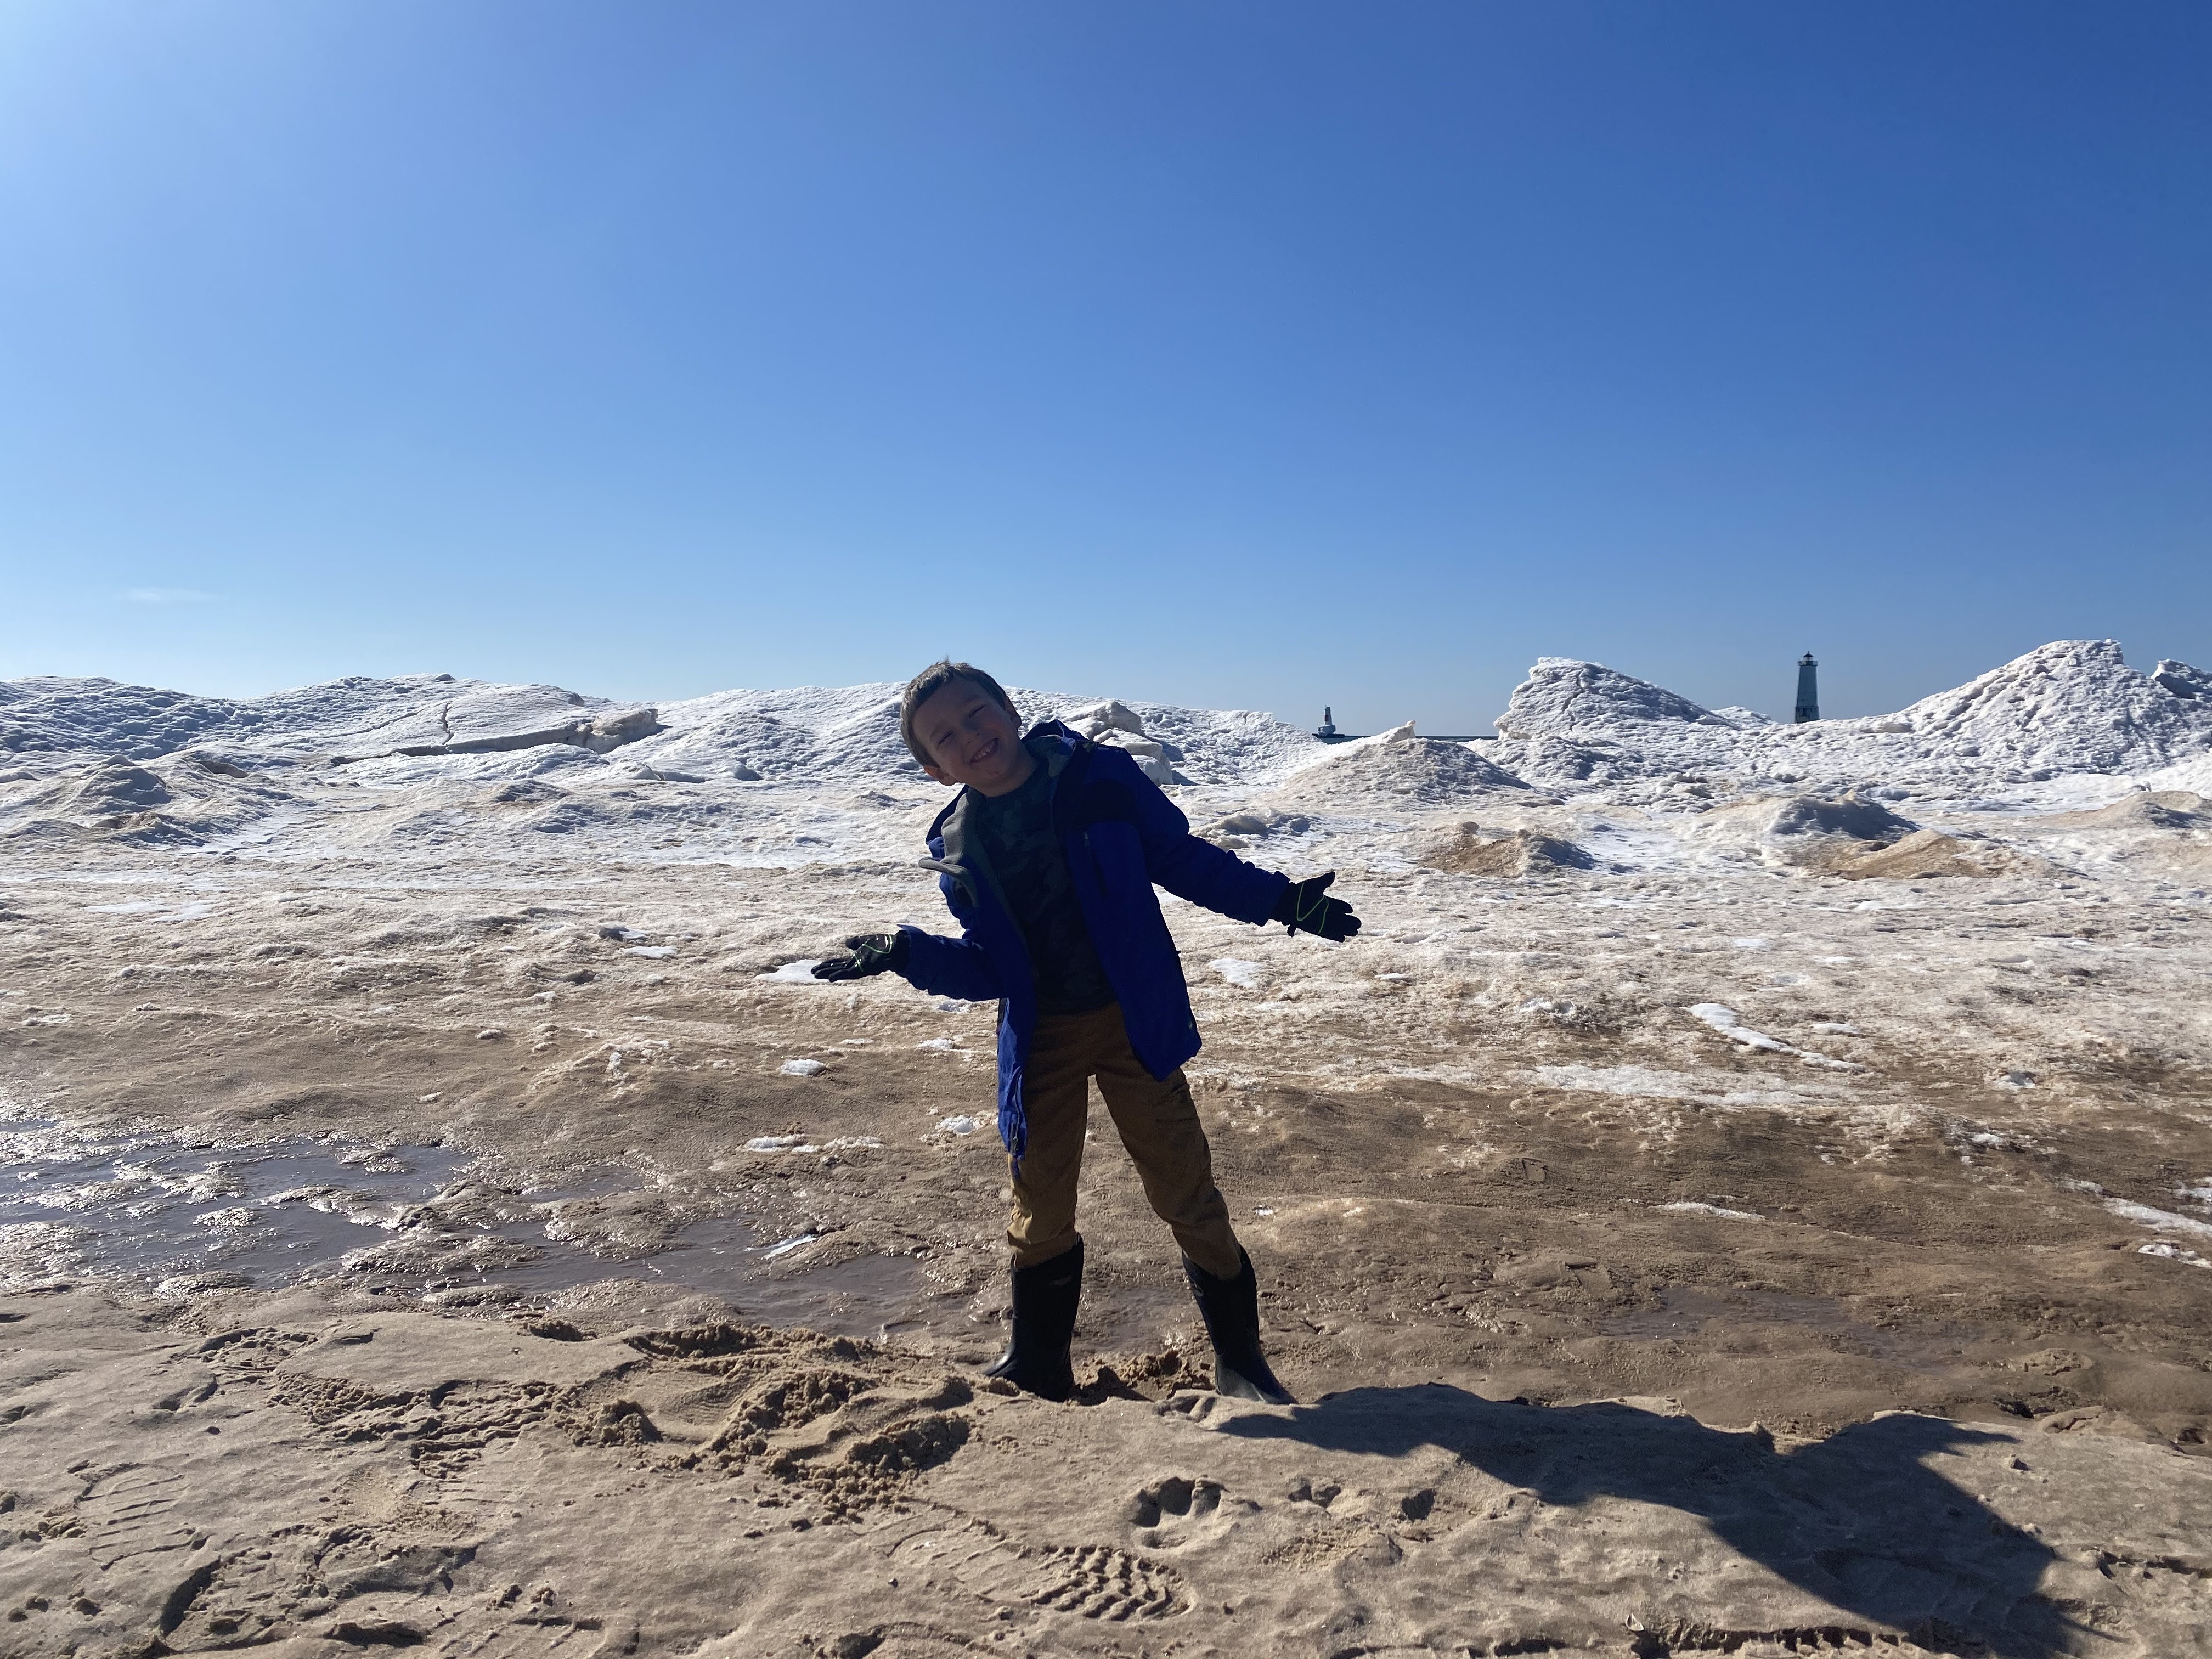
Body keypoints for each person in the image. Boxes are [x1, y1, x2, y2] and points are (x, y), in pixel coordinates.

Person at [811, 659, 1360, 1404]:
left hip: (1136, 1023)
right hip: (1042, 1042)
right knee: (1039, 1207)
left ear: (1009, 709)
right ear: (935, 769)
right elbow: (991, 967)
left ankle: (1242, 1362)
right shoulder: (961, 849)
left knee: (1186, 1192)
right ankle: (1039, 1363)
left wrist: (1281, 901)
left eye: (976, 713)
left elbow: (1182, 859)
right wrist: (909, 953)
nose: (970, 736)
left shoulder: (1099, 777)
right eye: (945, 737)